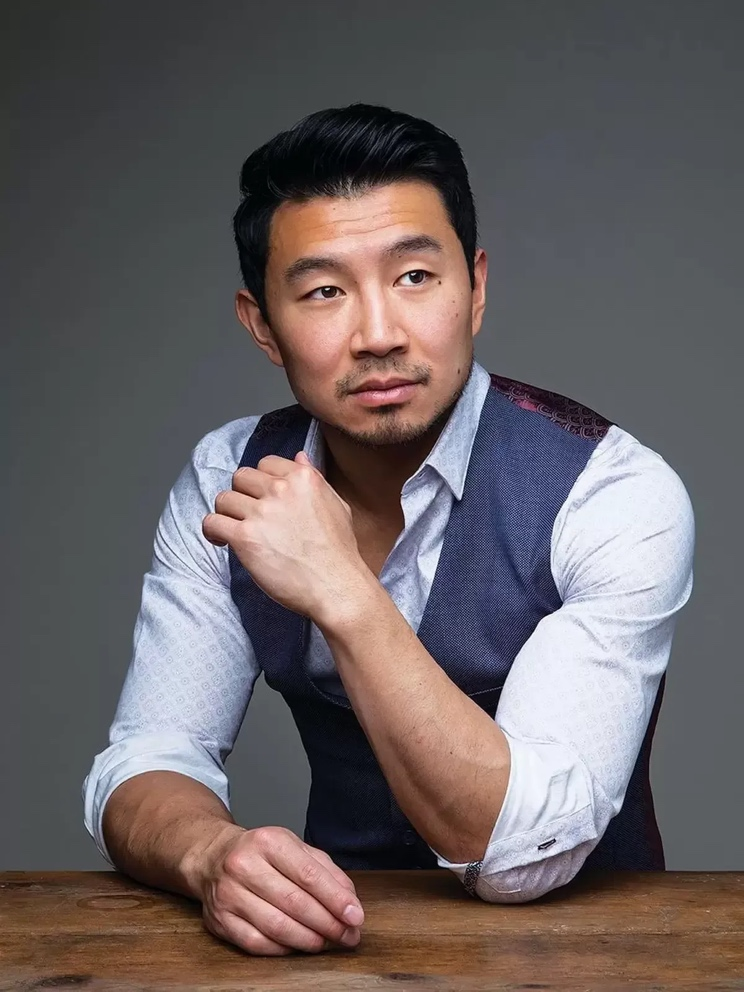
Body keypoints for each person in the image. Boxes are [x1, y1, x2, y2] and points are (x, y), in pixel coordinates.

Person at [83, 103, 695, 957]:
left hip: (591, 955)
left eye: (414, 277)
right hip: (338, 949)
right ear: (262, 325)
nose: (377, 335)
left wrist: (341, 588)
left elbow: (520, 858)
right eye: (324, 292)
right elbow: (149, 756)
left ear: (475, 288)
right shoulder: (230, 479)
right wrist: (209, 853)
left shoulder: (609, 493)